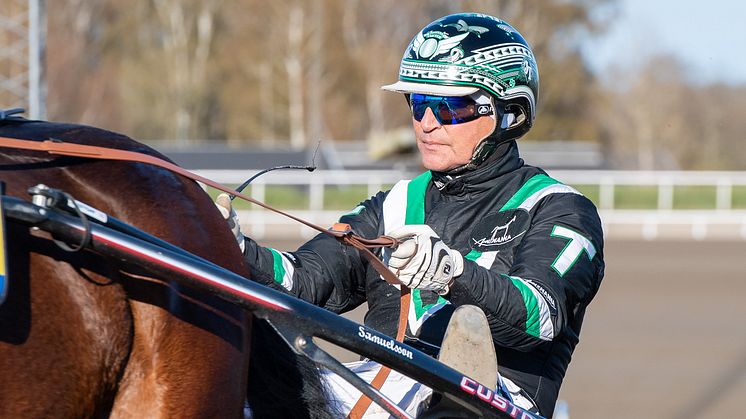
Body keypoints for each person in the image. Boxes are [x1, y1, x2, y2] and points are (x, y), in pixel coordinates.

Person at [217, 12, 604, 418]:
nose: (427, 123)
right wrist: (232, 248)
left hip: (493, 401)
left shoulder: (559, 208)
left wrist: (451, 274)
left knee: (457, 394)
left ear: (507, 112)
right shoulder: (392, 206)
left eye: (450, 107)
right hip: (370, 389)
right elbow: (304, 280)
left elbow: (541, 316)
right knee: (232, 363)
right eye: (417, 104)